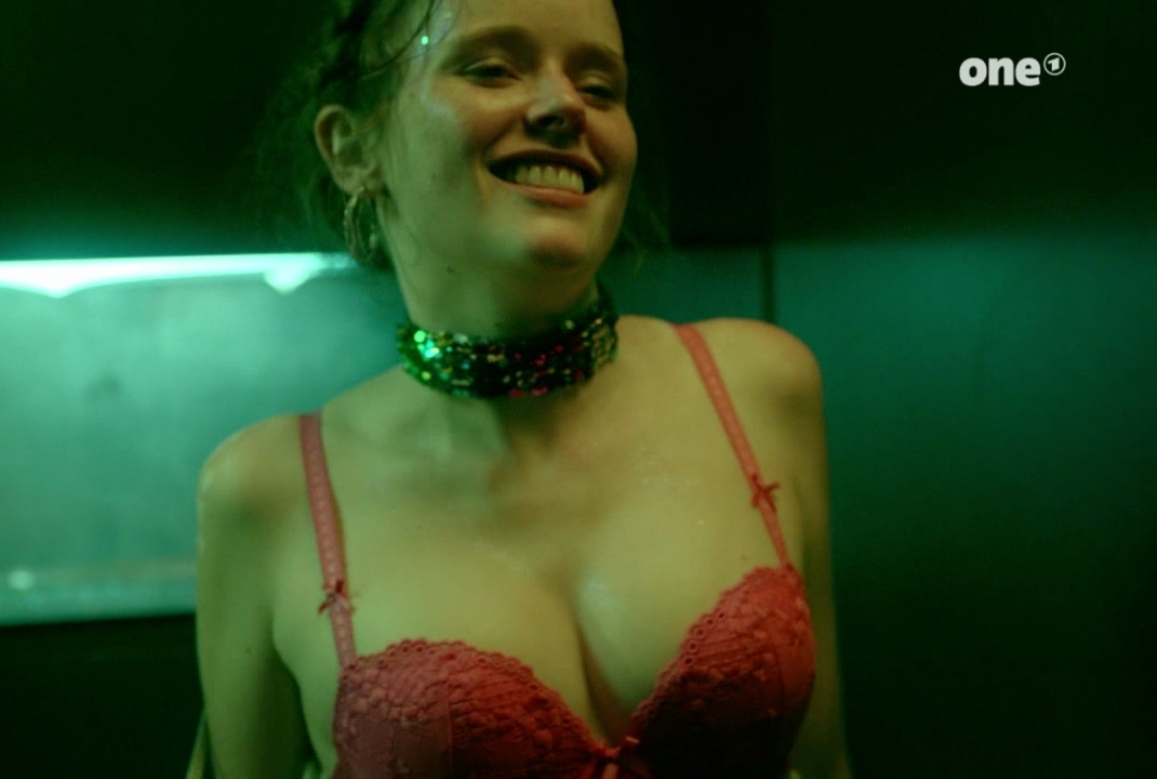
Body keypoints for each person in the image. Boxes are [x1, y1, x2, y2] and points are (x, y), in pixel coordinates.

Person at [190, 0, 853, 776]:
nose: (563, 105)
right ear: (351, 148)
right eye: (492, 68)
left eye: (600, 86)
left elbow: (827, 764)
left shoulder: (759, 388)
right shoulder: (268, 492)